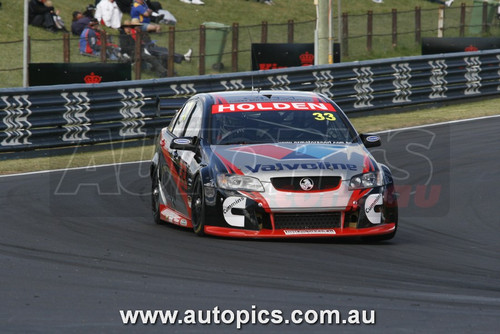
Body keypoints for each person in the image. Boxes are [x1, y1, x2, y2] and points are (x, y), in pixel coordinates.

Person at [119, 20, 192, 76]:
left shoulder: (141, 33)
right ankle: (166, 71)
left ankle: (170, 70)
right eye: (127, 27)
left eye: (138, 25)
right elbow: (125, 48)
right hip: (138, 51)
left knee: (163, 53)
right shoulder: (124, 36)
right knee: (155, 55)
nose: (136, 27)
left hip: (147, 47)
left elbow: (148, 40)